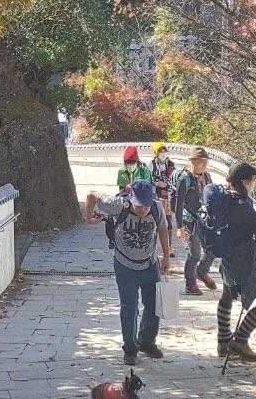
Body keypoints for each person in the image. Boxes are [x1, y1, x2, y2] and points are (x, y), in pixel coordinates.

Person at [93, 180, 172, 365]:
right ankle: (130, 349)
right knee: (129, 308)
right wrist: (89, 216)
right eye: (139, 205)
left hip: (149, 264)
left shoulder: (157, 208)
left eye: (146, 205)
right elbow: (92, 194)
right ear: (130, 200)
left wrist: (166, 257)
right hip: (125, 266)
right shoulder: (118, 205)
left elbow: (163, 229)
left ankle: (147, 342)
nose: (143, 209)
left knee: (153, 305)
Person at [214, 162, 256, 362]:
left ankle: (223, 341)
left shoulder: (228, 200)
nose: (254, 182)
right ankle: (240, 340)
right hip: (244, 262)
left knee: (227, 295)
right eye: (252, 179)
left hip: (229, 258)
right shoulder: (241, 205)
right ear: (244, 181)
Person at [173, 146, 216, 295]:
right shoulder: (185, 179)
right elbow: (178, 204)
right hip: (190, 220)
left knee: (212, 249)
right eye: (200, 162)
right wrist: (179, 227)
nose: (204, 165)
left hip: (205, 219)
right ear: (192, 162)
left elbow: (212, 197)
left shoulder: (207, 177)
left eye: (205, 162)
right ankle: (190, 284)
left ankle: (202, 271)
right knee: (195, 253)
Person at [148, 143, 177, 247]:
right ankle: (154, 245)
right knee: (156, 221)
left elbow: (174, 178)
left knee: (168, 222)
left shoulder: (171, 164)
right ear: (156, 153)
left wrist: (168, 184)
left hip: (167, 196)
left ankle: (169, 247)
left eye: (164, 151)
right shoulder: (151, 164)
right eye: (160, 151)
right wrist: (157, 183)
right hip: (156, 196)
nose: (163, 153)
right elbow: (149, 179)